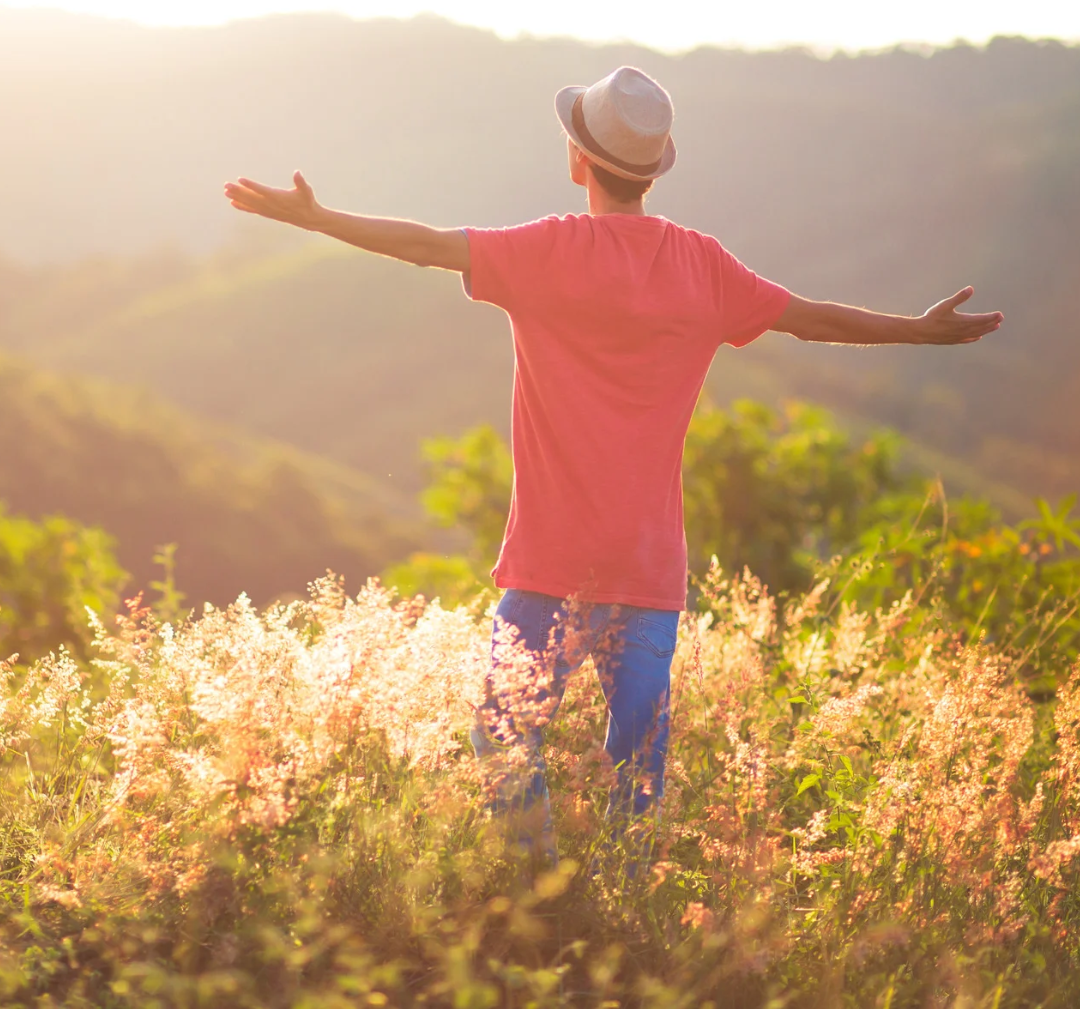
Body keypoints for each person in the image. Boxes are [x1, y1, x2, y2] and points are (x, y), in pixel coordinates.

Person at [224, 65, 1003, 860]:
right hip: (647, 569)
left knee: (503, 740)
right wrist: (918, 329)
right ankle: (626, 927)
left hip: (547, 565)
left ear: (577, 161)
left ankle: (540, 896)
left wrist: (319, 219)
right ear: (653, 170)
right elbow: (811, 319)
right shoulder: (704, 267)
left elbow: (425, 246)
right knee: (638, 776)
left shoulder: (548, 250)